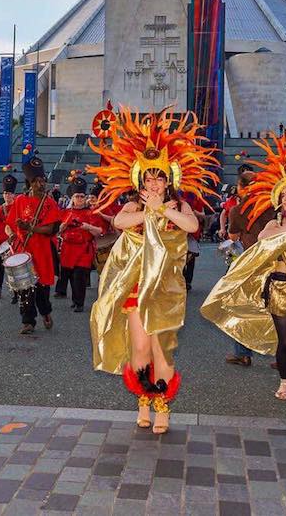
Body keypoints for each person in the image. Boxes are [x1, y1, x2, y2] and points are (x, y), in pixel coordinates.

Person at [89, 108, 218, 434]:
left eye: (160, 176)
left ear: (169, 178)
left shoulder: (179, 207)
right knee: (141, 349)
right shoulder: (134, 206)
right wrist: (149, 210)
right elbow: (119, 223)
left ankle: (161, 406)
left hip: (168, 289)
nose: (155, 181)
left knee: (162, 348)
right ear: (140, 180)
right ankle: (143, 400)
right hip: (136, 289)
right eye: (149, 177)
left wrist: (161, 208)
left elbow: (190, 226)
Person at [202, 131, 286, 407]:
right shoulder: (273, 225)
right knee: (284, 340)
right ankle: (284, 382)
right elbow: (264, 241)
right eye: (284, 194)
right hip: (278, 286)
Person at [223, 170, 275, 367]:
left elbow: (233, 237)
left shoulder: (238, 209)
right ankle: (283, 354)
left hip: (249, 261)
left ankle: (243, 353)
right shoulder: (271, 207)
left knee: (243, 307)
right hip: (273, 260)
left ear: (242, 187)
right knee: (274, 307)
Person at [5, 157, 61, 335]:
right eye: (37, 181)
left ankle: (45, 312)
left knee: (42, 289)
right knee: (24, 288)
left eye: (43, 180)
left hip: (43, 251)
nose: (41, 184)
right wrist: (11, 234)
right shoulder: (20, 201)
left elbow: (51, 228)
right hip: (24, 250)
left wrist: (30, 227)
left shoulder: (49, 203)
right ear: (30, 183)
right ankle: (28, 321)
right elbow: (9, 224)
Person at [54, 177, 101, 312]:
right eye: (77, 196)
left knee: (79, 277)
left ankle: (79, 302)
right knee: (70, 276)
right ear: (72, 198)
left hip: (83, 250)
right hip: (68, 250)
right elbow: (57, 231)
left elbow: (99, 232)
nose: (80, 199)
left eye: (82, 196)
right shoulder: (65, 213)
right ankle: (75, 299)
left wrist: (88, 227)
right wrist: (63, 225)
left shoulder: (91, 213)